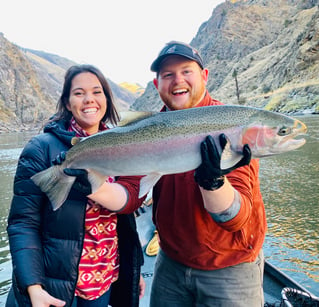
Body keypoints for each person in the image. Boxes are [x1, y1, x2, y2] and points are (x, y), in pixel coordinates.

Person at [6, 64, 146, 307]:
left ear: (106, 99)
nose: (89, 99)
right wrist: (33, 286)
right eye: (79, 93)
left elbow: (128, 208)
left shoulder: (125, 144)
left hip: (104, 280)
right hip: (53, 285)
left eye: (97, 91)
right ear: (68, 102)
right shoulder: (40, 149)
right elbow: (22, 222)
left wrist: (132, 272)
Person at [147, 41, 267, 306]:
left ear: (204, 76)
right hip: (170, 264)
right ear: (157, 85)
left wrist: (213, 182)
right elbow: (133, 191)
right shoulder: (147, 129)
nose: (178, 80)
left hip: (230, 267)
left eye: (186, 71)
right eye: (168, 75)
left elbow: (235, 219)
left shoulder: (233, 126)